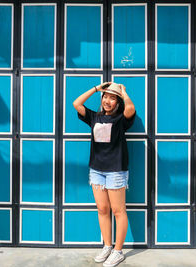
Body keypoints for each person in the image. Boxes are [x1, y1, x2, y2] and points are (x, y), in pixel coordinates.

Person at [73, 82, 136, 267]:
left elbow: (131, 108)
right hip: (97, 170)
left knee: (118, 211)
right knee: (102, 209)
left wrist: (123, 91)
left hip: (116, 169)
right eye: (106, 97)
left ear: (117, 102)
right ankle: (107, 246)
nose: (108, 100)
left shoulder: (121, 119)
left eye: (112, 98)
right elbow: (76, 103)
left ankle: (118, 251)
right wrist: (96, 89)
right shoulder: (94, 117)